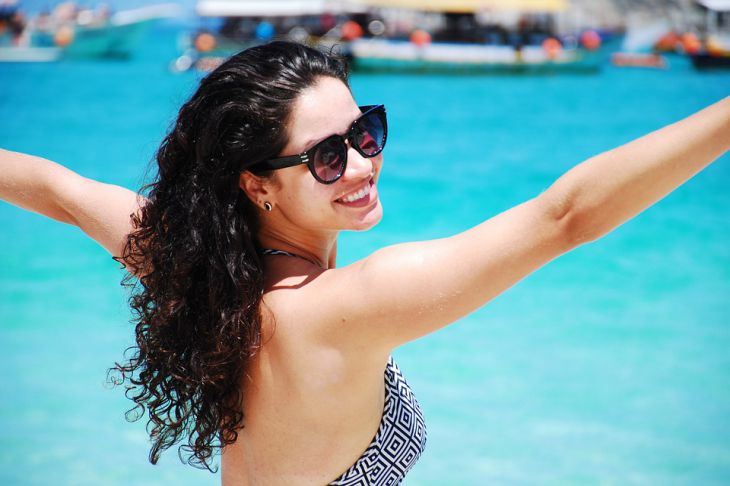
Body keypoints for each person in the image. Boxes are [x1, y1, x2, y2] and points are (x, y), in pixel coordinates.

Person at [0, 41, 728, 485]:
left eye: (365, 132)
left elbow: (59, 191)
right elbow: (564, 218)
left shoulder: (195, 267)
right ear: (256, 183)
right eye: (326, 156)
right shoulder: (346, 305)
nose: (360, 164)